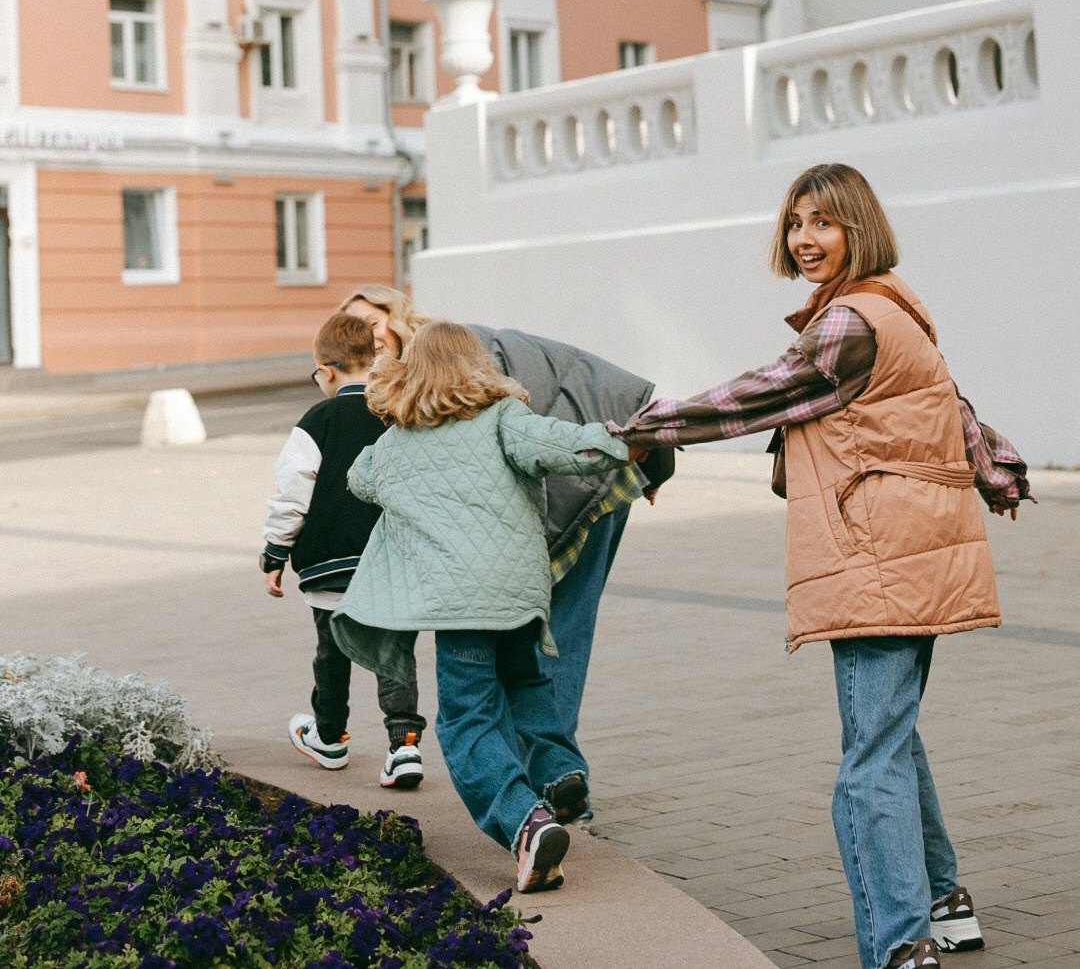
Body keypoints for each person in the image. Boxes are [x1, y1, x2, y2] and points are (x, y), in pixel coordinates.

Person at [615, 163, 1031, 969]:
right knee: (891, 735)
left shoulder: (849, 321)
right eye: (796, 222)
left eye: (824, 223)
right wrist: (997, 472)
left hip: (875, 553)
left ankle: (899, 944)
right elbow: (950, 404)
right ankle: (944, 899)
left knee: (868, 764)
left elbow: (758, 395)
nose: (805, 239)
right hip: (914, 547)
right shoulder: (894, 306)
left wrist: (645, 426)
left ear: (858, 229)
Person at [335, 284, 673, 809]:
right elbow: (565, 444)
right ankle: (560, 772)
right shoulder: (505, 413)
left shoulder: (395, 439)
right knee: (526, 682)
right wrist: (626, 444)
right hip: (518, 590)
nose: (366, 338)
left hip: (459, 603)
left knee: (465, 714)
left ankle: (522, 816)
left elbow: (360, 479)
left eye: (370, 323)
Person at [259, 310, 426, 788]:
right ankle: (404, 747)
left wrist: (275, 553)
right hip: (394, 560)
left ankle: (329, 737)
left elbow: (293, 493)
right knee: (394, 652)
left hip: (331, 562)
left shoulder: (318, 419)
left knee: (331, 653)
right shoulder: (398, 414)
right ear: (374, 360)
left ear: (326, 371)